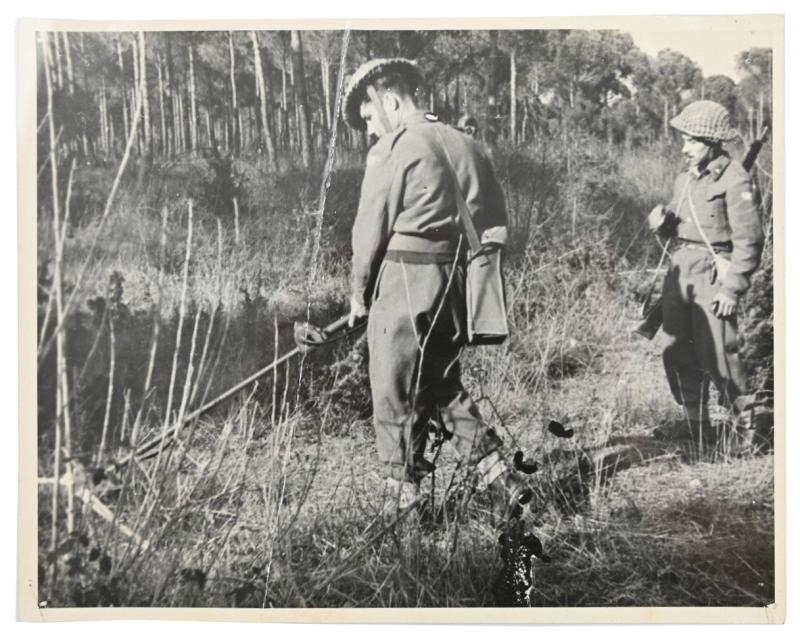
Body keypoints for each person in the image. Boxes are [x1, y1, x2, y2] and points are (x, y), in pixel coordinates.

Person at [342, 58, 532, 521]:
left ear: (388, 101)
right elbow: (497, 226)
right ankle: (502, 481)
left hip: (405, 280)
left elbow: (370, 229)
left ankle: (403, 511)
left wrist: (357, 292)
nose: (369, 130)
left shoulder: (393, 147)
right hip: (456, 284)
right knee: (440, 384)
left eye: (368, 117)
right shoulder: (467, 143)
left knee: (392, 388)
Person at [648, 100, 764, 443]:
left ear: (713, 142)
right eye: (683, 140)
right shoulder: (685, 177)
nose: (684, 149)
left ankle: (748, 430)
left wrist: (732, 288)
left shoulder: (735, 179)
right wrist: (662, 223)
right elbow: (681, 226)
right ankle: (698, 427)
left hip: (714, 276)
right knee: (676, 350)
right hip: (680, 272)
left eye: (692, 141)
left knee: (721, 355)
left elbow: (749, 240)